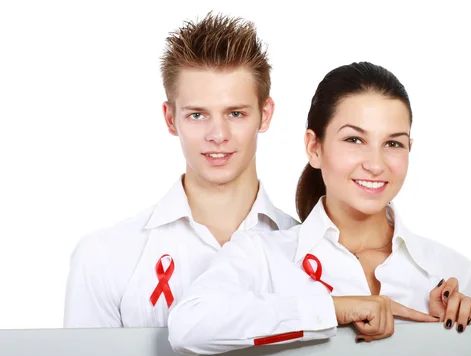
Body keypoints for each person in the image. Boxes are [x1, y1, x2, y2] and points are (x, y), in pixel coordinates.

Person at [167, 61, 471, 356]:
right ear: (314, 148)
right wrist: (333, 310)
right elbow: (189, 326)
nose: (375, 165)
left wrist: (460, 336)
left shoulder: (455, 274)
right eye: (354, 140)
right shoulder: (263, 255)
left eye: (393, 143)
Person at [63, 12, 297, 328]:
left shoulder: (308, 251)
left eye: (236, 113)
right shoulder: (105, 257)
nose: (218, 134)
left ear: (265, 114)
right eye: (197, 115)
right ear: (170, 118)